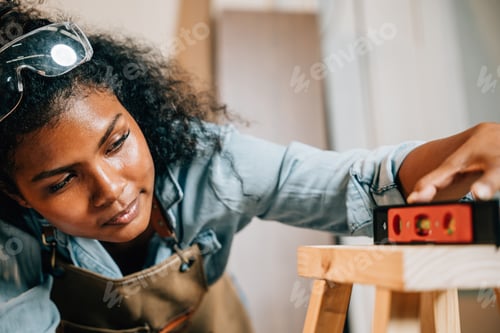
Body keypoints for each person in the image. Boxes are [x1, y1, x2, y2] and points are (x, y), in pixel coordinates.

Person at [0, 1, 499, 332]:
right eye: (64, 180)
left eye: (117, 142)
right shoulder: (11, 244)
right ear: (18, 195)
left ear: (135, 116)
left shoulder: (214, 166)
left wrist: (471, 145)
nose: (110, 189)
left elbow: (361, 184)